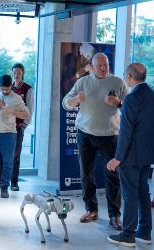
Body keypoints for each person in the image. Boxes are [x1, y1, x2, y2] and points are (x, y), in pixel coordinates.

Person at [62, 52, 128, 230]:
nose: (104, 68)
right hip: (86, 134)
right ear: (92, 66)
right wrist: (76, 99)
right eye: (100, 65)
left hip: (110, 136)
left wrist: (118, 102)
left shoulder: (118, 82)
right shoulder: (83, 82)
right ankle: (91, 210)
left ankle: (115, 215)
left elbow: (130, 107)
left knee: (112, 175)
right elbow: (65, 103)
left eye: (106, 64)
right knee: (86, 174)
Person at [106, 63, 154, 247]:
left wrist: (118, 158)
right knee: (143, 192)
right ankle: (144, 232)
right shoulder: (151, 95)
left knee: (130, 195)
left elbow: (126, 132)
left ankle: (128, 235)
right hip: (146, 155)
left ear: (129, 78)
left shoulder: (131, 99)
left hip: (130, 157)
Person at [0, 75, 30, 198]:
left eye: (7, 89)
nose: (5, 91)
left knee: (8, 163)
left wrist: (13, 111)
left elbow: (26, 114)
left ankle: (4, 187)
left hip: (9, 135)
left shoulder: (17, 98)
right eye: (3, 89)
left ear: (11, 86)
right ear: (0, 87)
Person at [0, 63, 34, 191]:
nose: (16, 75)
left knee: (15, 155)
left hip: (17, 128)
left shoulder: (28, 89)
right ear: (12, 74)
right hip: (4, 127)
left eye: (19, 73)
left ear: (22, 74)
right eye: (15, 73)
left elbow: (30, 109)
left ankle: (14, 182)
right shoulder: (8, 88)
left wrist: (24, 124)